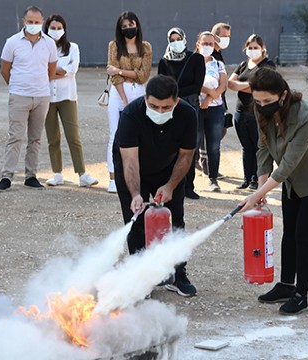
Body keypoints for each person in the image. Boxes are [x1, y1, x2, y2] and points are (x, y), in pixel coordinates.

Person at [239, 67, 308, 315]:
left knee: (304, 235)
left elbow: (287, 164)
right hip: (293, 178)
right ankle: (286, 285)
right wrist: (261, 188)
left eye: (268, 101)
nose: (262, 105)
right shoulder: (260, 107)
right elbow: (263, 148)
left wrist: (257, 194)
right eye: (258, 100)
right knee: (289, 232)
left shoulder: (304, 115)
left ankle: (300, 295)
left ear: (282, 95)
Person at [114, 75, 198, 297]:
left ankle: (177, 275)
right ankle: (142, 279)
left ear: (176, 102)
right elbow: (130, 161)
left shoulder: (188, 115)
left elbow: (186, 156)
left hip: (169, 167)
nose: (159, 111)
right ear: (145, 98)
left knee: (175, 219)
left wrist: (170, 186)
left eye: (166, 107)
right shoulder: (131, 115)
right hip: (134, 167)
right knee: (136, 222)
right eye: (153, 106)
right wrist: (135, 194)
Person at [0, 6, 58, 192]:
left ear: (42, 21)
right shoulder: (12, 42)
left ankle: (31, 176)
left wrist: (40, 86)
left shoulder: (49, 43)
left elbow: (51, 70)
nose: (33, 25)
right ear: (23, 21)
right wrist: (16, 87)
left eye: (37, 22)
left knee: (35, 138)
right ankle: (7, 176)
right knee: (15, 137)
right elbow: (5, 69)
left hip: (41, 97)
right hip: (19, 96)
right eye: (30, 22)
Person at [42, 14, 98, 188]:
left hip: (68, 97)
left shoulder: (72, 48)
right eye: (53, 28)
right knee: (53, 138)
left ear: (64, 29)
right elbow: (40, 70)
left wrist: (52, 72)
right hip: (47, 98)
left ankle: (82, 174)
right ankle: (57, 173)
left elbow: (71, 70)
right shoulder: (41, 48)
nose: (56, 31)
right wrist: (57, 71)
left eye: (59, 28)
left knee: (73, 136)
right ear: (47, 29)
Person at [105, 11, 152, 193]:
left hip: (139, 92)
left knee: (140, 135)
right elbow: (112, 75)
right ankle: (113, 178)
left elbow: (143, 75)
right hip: (119, 93)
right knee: (114, 135)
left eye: (130, 25)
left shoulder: (145, 47)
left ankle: (137, 176)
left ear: (137, 25)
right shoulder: (114, 45)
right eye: (124, 26)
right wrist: (124, 100)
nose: (128, 29)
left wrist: (120, 71)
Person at [157, 27, 205, 199]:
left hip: (190, 106)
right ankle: (170, 184)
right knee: (170, 144)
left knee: (189, 146)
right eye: (172, 39)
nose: (176, 42)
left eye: (178, 38)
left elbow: (197, 86)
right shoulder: (164, 61)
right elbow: (160, 84)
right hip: (169, 106)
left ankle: (188, 186)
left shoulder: (196, 59)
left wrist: (175, 91)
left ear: (184, 39)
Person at [227, 34, 275, 190]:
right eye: (250, 48)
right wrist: (250, 85)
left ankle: (257, 179)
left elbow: (263, 85)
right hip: (240, 112)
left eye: (256, 48)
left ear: (263, 49)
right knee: (246, 148)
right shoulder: (242, 65)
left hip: (258, 112)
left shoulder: (268, 65)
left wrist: (242, 85)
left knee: (258, 147)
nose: (253, 50)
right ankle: (247, 178)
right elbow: (230, 84)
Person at [197, 22, 232, 178]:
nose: (208, 46)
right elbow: (193, 82)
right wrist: (210, 92)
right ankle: (199, 169)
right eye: (205, 43)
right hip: (198, 106)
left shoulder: (218, 61)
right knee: (196, 141)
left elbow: (223, 84)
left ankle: (211, 173)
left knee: (215, 141)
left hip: (216, 104)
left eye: (228, 37)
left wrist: (212, 96)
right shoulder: (194, 60)